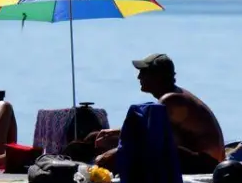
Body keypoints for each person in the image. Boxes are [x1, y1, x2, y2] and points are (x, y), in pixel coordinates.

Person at [94, 54, 225, 174]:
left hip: (206, 164)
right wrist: (114, 132)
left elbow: (143, 137)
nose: (139, 77)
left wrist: (114, 154)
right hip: (204, 160)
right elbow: (142, 128)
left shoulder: (170, 100)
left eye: (143, 72)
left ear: (158, 76)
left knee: (139, 149)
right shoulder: (175, 95)